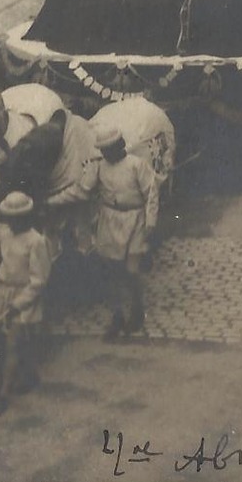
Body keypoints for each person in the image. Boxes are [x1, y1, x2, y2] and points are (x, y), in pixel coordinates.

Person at [0, 191, 50, 415]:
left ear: (26, 217)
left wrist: (20, 302)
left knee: (12, 344)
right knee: (8, 342)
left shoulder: (36, 241)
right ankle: (29, 374)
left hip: (23, 296)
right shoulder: (3, 236)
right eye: (9, 218)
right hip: (1, 293)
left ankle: (3, 395)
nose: (11, 223)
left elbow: (39, 280)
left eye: (17, 218)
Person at [91, 125, 159, 341]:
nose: (106, 154)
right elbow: (86, 189)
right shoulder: (100, 167)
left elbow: (151, 193)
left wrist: (150, 221)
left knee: (131, 270)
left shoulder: (136, 165)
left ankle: (137, 309)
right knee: (112, 271)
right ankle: (117, 314)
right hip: (110, 220)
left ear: (118, 146)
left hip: (135, 219)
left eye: (109, 149)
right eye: (103, 150)